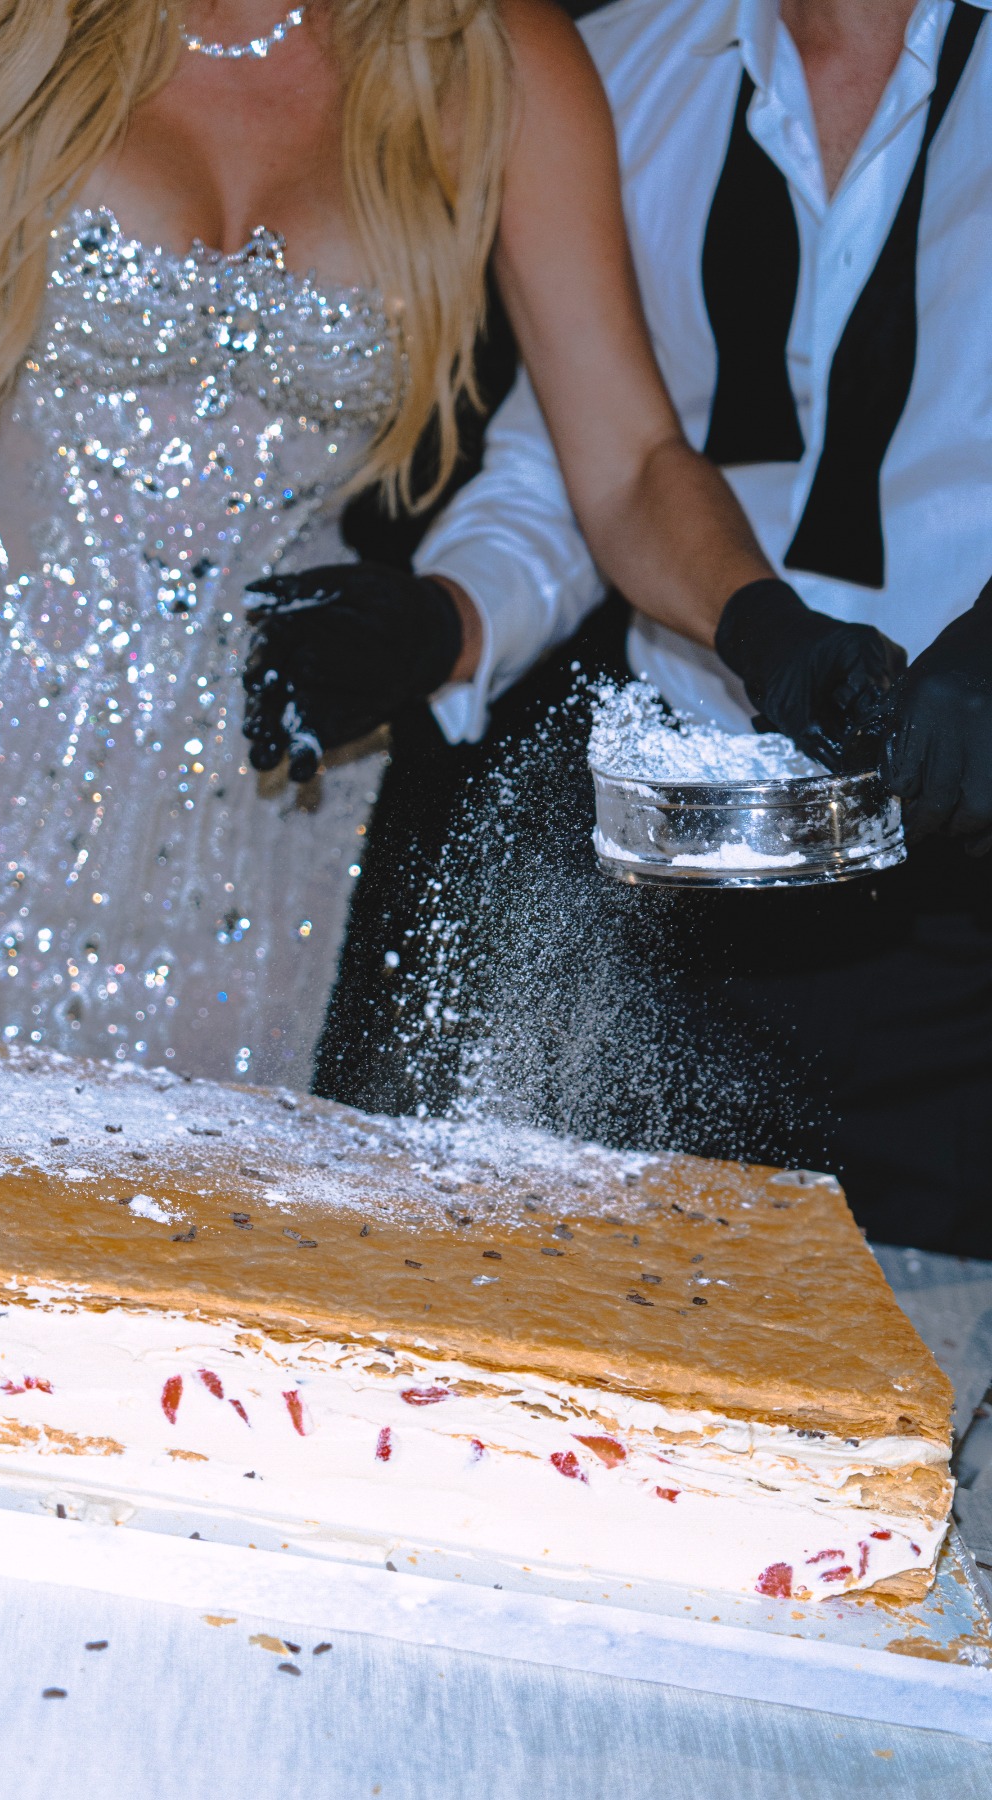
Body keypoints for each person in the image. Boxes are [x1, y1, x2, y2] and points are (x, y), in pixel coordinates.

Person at [0, 0, 801, 1097]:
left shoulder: (494, 56)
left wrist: (766, 624)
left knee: (164, 1239)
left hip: (252, 814)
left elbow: (632, 462)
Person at [305, 0, 992, 1251]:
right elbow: (574, 460)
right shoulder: (616, 58)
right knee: (597, 1352)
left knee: (930, 1394)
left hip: (972, 917)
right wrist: (441, 619)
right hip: (676, 870)